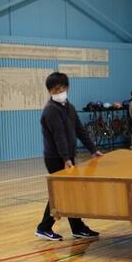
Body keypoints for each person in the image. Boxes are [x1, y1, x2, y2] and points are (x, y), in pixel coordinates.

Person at [36, 72, 103, 241]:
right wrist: (65, 158)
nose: (59, 92)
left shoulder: (69, 107)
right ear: (50, 91)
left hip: (67, 156)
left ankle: (77, 227)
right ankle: (44, 227)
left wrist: (93, 150)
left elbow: (80, 130)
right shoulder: (51, 110)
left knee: (70, 192)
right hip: (55, 158)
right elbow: (59, 136)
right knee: (60, 192)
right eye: (55, 90)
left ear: (67, 88)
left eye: (61, 88)